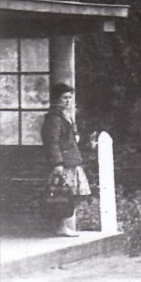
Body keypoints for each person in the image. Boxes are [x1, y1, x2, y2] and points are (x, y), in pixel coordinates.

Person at [41, 83, 91, 237]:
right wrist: (57, 163)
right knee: (62, 194)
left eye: (70, 98)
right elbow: (52, 142)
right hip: (63, 162)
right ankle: (60, 226)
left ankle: (62, 225)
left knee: (73, 193)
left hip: (71, 160)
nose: (68, 101)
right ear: (56, 99)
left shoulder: (65, 115)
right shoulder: (54, 118)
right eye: (64, 98)